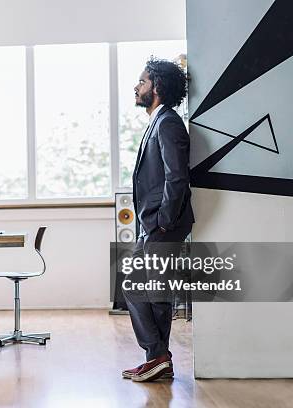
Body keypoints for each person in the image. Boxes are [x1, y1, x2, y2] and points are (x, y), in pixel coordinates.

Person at [121, 57, 194, 382]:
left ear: (158, 86)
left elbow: (176, 176)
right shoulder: (158, 121)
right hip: (153, 224)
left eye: (142, 81)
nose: (137, 87)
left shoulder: (168, 123)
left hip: (163, 224)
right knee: (142, 287)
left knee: (153, 292)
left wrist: (163, 220)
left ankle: (157, 355)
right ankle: (158, 357)